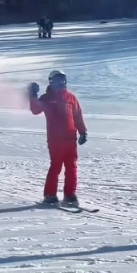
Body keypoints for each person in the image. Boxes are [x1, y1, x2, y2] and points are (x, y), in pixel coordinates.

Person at [28, 70, 87, 207]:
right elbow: (36, 110)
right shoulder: (47, 98)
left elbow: (77, 116)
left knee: (71, 167)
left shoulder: (71, 98)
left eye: (63, 80)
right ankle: (50, 195)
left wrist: (83, 132)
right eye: (57, 80)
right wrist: (32, 96)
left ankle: (70, 195)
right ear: (51, 81)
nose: (61, 83)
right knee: (56, 166)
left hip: (70, 139)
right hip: (55, 139)